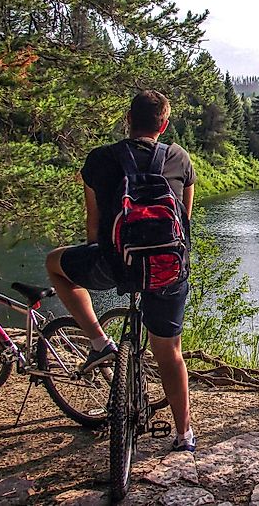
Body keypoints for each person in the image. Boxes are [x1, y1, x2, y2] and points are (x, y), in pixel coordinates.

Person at [46, 90, 197, 452]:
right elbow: (185, 223)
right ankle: (184, 435)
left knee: (55, 264)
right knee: (169, 350)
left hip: (114, 263)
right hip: (166, 270)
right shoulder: (179, 157)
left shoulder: (99, 159)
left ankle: (99, 342)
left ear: (127, 120)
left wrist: (112, 259)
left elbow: (94, 224)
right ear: (164, 123)